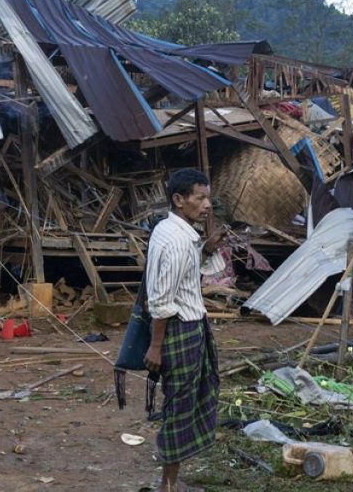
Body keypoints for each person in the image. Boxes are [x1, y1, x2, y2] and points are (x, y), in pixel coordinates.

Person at [144, 168, 224, 492]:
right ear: (179, 200)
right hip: (181, 330)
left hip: (188, 327)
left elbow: (184, 275)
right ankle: (169, 486)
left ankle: (170, 482)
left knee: (182, 401)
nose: (207, 205)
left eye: (208, 197)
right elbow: (162, 301)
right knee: (179, 406)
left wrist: (205, 249)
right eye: (199, 198)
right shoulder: (177, 241)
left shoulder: (172, 230)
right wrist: (156, 346)